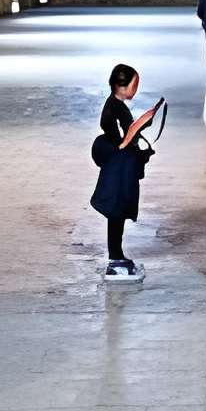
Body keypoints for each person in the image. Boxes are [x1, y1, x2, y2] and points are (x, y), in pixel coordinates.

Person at [90, 63, 161, 282]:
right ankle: (115, 256)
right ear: (121, 86)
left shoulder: (117, 104)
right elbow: (121, 137)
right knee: (116, 208)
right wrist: (130, 139)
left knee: (118, 209)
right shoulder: (114, 107)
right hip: (117, 163)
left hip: (119, 161)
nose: (136, 89)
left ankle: (116, 254)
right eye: (134, 85)